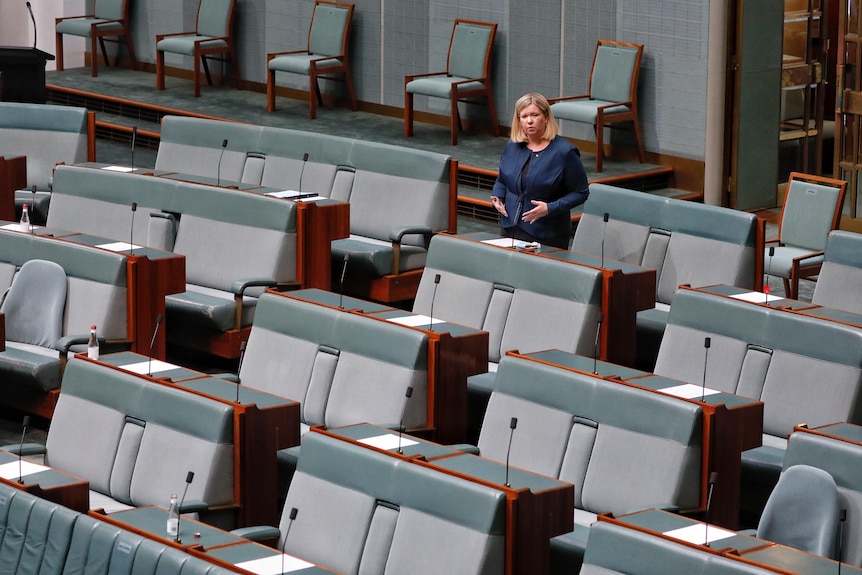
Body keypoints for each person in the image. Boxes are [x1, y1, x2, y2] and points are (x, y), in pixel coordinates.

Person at [490, 93, 589, 250]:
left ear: (546, 117)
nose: (529, 121)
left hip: (546, 233)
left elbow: (581, 192)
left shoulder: (564, 152)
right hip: (510, 227)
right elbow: (502, 179)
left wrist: (550, 208)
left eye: (534, 115)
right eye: (524, 116)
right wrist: (497, 195)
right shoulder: (513, 145)